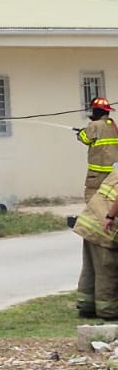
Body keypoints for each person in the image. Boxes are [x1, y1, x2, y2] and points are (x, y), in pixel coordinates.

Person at [76, 98, 118, 318]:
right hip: (110, 184)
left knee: (94, 263)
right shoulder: (113, 126)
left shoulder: (93, 126)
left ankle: (88, 304)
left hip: (95, 187)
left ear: (94, 111)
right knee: (106, 264)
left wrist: (80, 133)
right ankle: (106, 309)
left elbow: (84, 138)